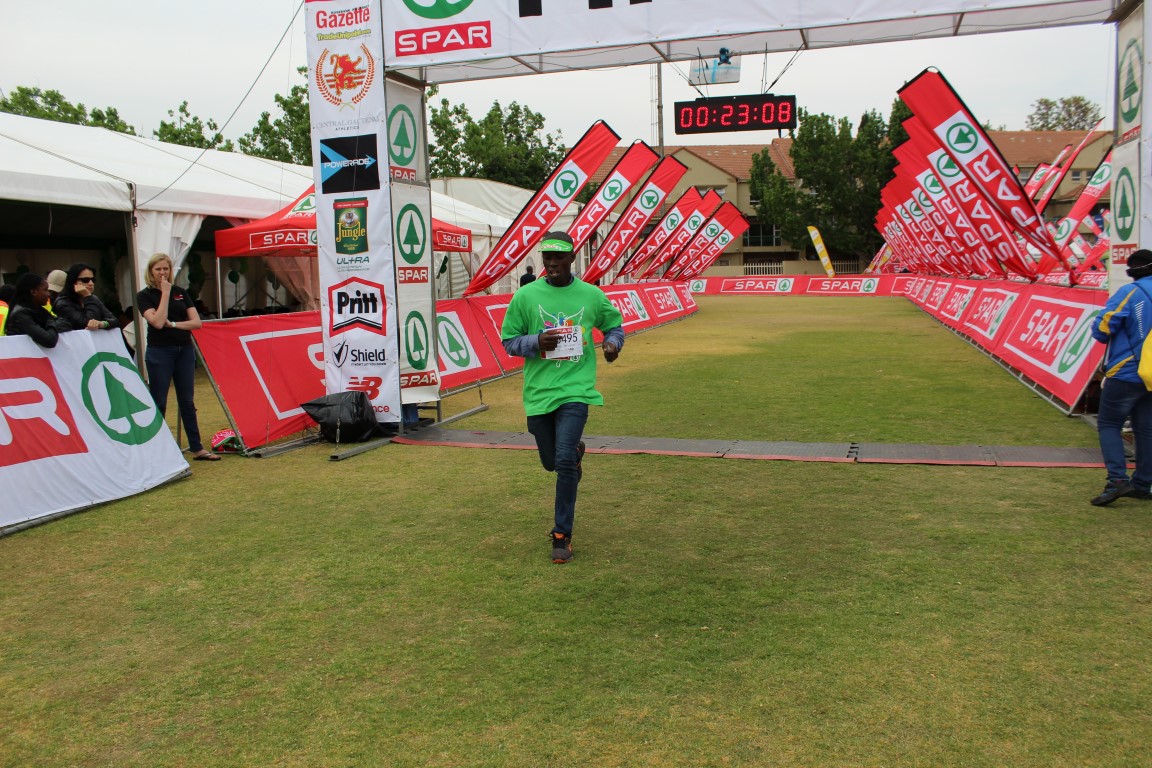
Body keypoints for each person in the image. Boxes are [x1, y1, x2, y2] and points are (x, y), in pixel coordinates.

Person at [501, 231, 625, 563]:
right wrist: (535, 342)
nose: (553, 264)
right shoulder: (525, 296)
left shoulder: (591, 295)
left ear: (572, 258)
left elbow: (614, 327)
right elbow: (509, 341)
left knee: (564, 462)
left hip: (576, 389)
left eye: (559, 258)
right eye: (548, 258)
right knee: (551, 462)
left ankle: (562, 535)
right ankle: (575, 452)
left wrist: (612, 345)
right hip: (539, 392)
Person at [137, 253, 220, 461]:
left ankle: (197, 447)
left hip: (184, 350)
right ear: (151, 272)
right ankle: (157, 449)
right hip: (160, 351)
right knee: (159, 401)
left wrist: (174, 324)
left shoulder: (181, 292)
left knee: (187, 401)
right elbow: (157, 322)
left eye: (166, 269)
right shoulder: (144, 296)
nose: (162, 273)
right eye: (158, 269)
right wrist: (165, 294)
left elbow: (196, 323)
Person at [1090, 248, 1152, 505]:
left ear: (1132, 271)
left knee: (1109, 424)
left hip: (1128, 371)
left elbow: (1103, 328)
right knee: (1146, 428)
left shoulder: (1131, 292)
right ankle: (1143, 483)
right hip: (1150, 375)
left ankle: (1117, 480)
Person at [53, 263, 120, 333]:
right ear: (73, 281)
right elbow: (87, 323)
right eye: (85, 280)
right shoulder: (63, 303)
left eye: (93, 279)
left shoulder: (93, 298)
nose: (91, 283)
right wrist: (87, 296)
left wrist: (102, 324)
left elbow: (115, 320)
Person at [5, 273, 62, 348]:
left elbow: (66, 324)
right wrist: (50, 320)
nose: (49, 294)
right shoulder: (20, 314)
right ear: (34, 292)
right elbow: (49, 340)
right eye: (45, 290)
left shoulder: (39, 310)